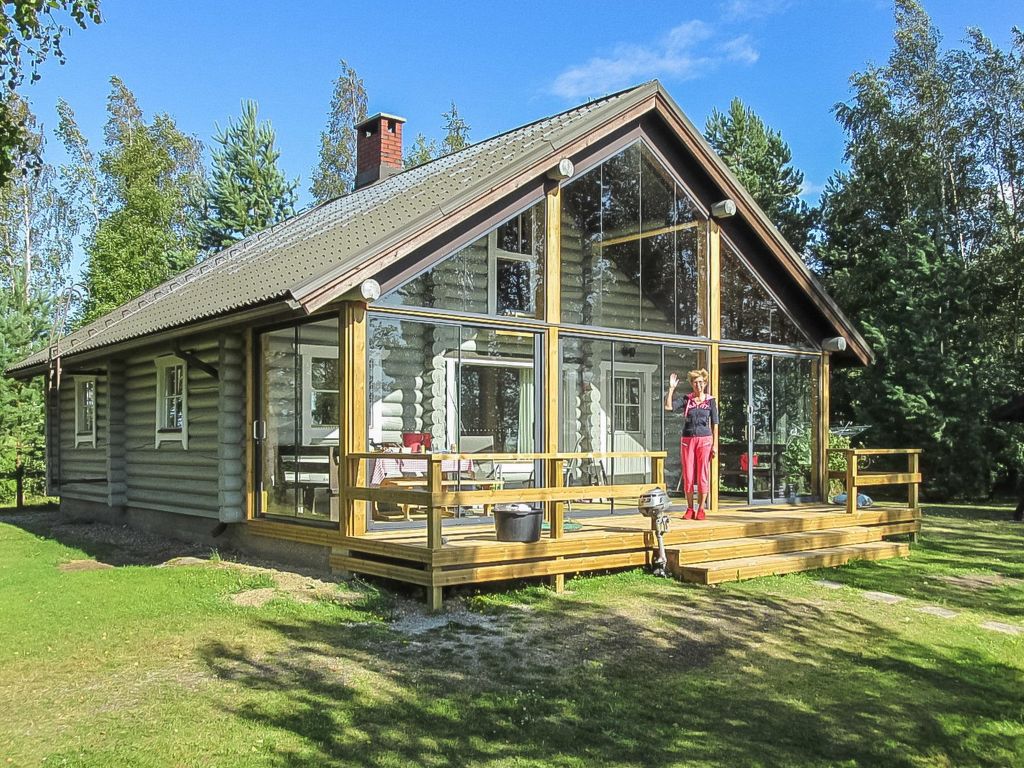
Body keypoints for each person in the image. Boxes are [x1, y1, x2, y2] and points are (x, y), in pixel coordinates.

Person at [664, 368, 719, 520]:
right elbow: (668, 407)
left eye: (701, 382)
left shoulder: (710, 401)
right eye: (695, 383)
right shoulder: (687, 399)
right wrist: (671, 388)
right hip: (687, 440)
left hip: (705, 440)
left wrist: (715, 445)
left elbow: (715, 424)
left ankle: (701, 509)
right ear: (692, 384)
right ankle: (689, 508)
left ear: (705, 383)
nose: (698, 385)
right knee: (688, 474)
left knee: (702, 475)